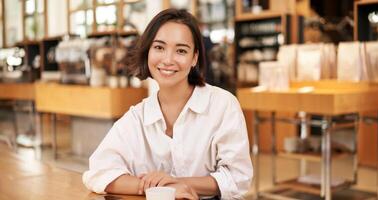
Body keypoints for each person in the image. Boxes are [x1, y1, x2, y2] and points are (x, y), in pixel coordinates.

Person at [82, 9, 253, 200]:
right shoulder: (137, 117)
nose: (168, 60)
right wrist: (152, 188)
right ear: (148, 51)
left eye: (181, 50)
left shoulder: (223, 105)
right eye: (159, 48)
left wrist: (176, 183)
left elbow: (238, 178)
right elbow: (97, 173)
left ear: (194, 58)